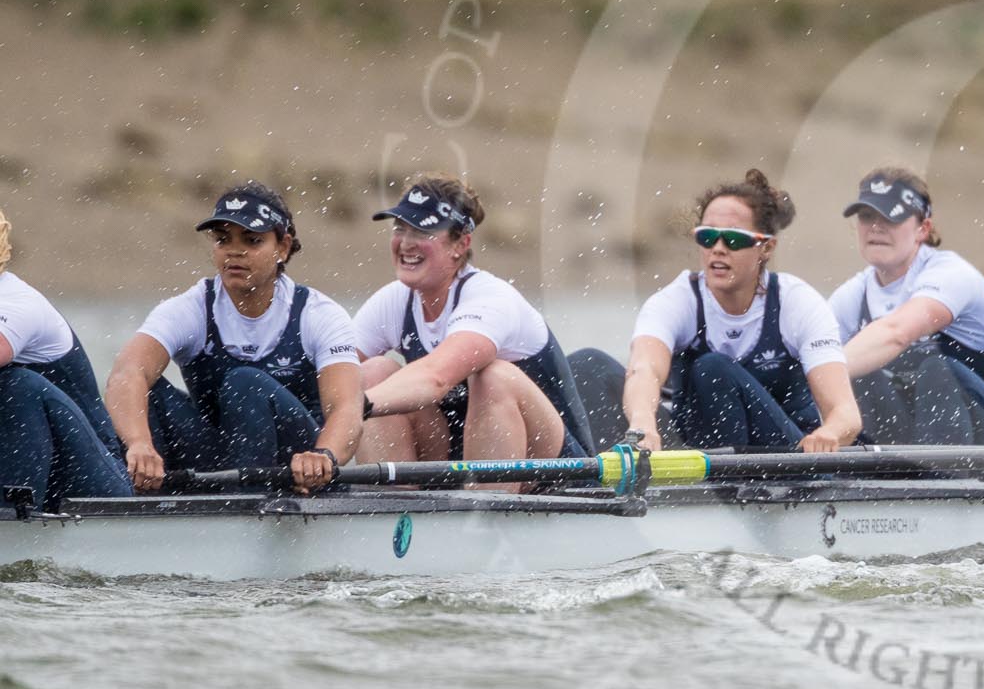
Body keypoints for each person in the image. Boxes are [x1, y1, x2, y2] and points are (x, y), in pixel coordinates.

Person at [103, 184, 361, 493]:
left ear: (283, 247)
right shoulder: (191, 307)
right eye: (223, 240)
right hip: (222, 460)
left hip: (297, 465)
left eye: (252, 241)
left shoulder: (319, 314)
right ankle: (146, 501)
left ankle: (247, 506)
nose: (234, 252)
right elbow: (126, 372)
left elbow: (346, 409)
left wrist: (324, 455)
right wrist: (139, 443)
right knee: (150, 393)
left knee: (245, 383)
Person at [594, 169, 860, 452]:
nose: (718, 249)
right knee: (591, 365)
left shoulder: (798, 303)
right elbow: (644, 368)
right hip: (703, 453)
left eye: (734, 240)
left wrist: (830, 433)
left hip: (788, 458)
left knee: (713, 368)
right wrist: (642, 424)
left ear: (766, 247)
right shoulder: (676, 300)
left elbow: (846, 414)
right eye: (708, 237)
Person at [353, 174, 595, 465]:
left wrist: (355, 407)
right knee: (370, 373)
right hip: (456, 464)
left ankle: (487, 503)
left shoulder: (490, 298)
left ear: (460, 244)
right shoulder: (394, 300)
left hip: (557, 470)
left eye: (422, 232)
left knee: (494, 378)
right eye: (400, 229)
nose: (406, 243)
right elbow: (330, 375)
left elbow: (436, 378)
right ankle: (396, 503)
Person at [828, 167, 984, 445]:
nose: (876, 226)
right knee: (859, 377)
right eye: (867, 216)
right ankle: (872, 476)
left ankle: (933, 483)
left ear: (923, 229)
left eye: (891, 215)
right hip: (917, 446)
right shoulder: (852, 295)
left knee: (936, 370)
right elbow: (810, 359)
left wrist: (823, 371)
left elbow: (897, 332)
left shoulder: (953, 275)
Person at [0, 206, 133, 506]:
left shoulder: (16, 303)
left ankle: (12, 520)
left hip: (95, 484)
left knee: (16, 385)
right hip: (37, 471)